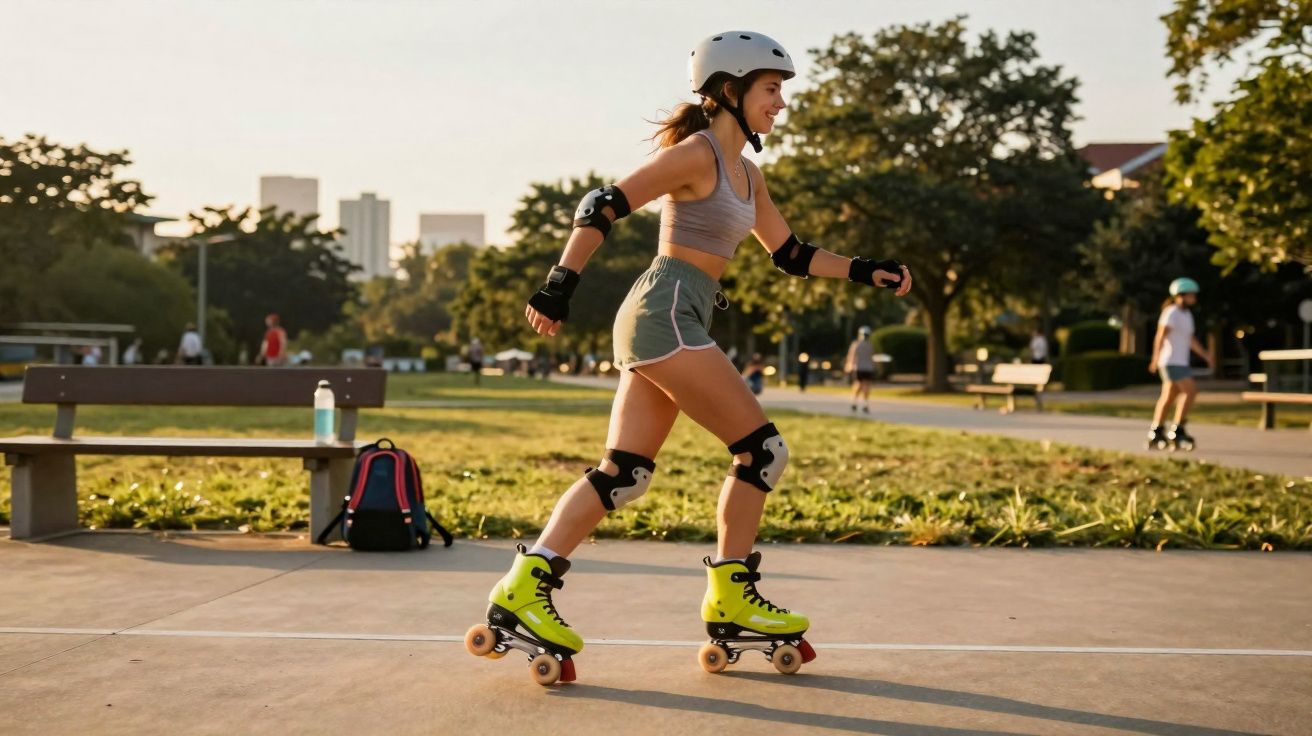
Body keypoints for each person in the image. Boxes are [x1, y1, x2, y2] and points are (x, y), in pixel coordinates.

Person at [465, 31, 912, 685]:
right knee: (762, 451)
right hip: (664, 313)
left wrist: (867, 271)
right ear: (729, 92)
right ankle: (730, 596)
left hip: (678, 316)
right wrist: (559, 284)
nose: (780, 104)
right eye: (770, 90)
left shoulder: (746, 174)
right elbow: (604, 204)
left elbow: (790, 254)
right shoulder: (695, 155)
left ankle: (522, 588)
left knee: (623, 475)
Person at [1147, 277, 1211, 451]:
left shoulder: (1186, 315)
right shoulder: (1171, 312)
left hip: (1181, 361)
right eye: (1191, 295)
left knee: (1168, 397)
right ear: (1181, 295)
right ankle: (1178, 429)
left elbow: (1190, 339)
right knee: (1191, 391)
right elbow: (1160, 336)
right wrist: (1155, 358)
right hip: (1170, 361)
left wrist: (1205, 354)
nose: (1194, 298)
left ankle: (1156, 431)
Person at [845, 326, 877, 413]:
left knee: (858, 384)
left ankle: (855, 402)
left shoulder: (856, 344)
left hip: (859, 367)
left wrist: (849, 366)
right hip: (868, 368)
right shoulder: (870, 345)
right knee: (866, 385)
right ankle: (865, 403)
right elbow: (872, 358)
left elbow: (851, 356)